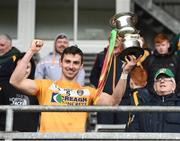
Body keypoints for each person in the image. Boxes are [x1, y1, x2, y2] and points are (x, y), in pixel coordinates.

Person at [10, 39, 139, 132]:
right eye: (67, 62)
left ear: (81, 66)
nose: (71, 66)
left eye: (76, 63)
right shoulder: (45, 86)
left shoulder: (88, 92)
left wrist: (125, 72)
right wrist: (31, 51)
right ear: (60, 63)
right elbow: (15, 81)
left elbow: (113, 102)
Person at [90, 34, 131, 124]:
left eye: (118, 38)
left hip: (123, 100)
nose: (116, 40)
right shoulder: (101, 56)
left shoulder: (127, 57)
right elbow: (93, 76)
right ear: (109, 40)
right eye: (114, 37)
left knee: (122, 129)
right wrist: (101, 91)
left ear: (122, 41)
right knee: (105, 129)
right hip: (105, 100)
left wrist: (127, 90)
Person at [126, 68, 180, 132]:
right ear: (154, 86)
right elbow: (132, 131)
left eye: (166, 79)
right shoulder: (143, 108)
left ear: (173, 85)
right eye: (158, 80)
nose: (162, 81)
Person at [0, 53, 39, 132]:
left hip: (28, 137)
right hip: (6, 136)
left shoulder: (37, 88)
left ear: (32, 69)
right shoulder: (4, 86)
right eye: (19, 67)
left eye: (27, 67)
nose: (23, 70)